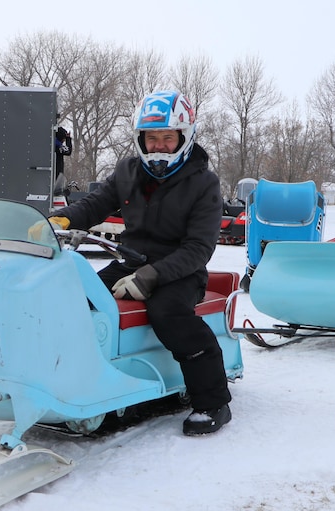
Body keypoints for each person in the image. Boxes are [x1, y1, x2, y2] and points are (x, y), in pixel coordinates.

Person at [47, 90, 232, 436]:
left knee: (168, 314)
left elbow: (199, 248)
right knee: (75, 301)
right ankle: (69, 379)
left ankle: (213, 400)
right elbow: (94, 204)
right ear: (141, 139)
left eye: (167, 137)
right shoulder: (128, 171)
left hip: (181, 272)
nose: (159, 145)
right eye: (152, 138)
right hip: (127, 262)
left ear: (183, 137)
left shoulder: (204, 183)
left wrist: (152, 275)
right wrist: (61, 220)